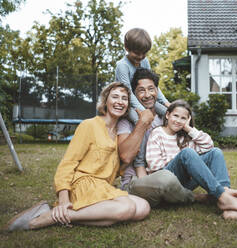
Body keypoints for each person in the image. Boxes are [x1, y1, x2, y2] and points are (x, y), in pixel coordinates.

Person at [5, 82, 150, 231]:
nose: (120, 102)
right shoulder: (89, 125)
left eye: (124, 98)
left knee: (143, 207)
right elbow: (68, 162)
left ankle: (65, 215)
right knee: (126, 208)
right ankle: (49, 217)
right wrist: (63, 198)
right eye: (115, 97)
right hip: (82, 184)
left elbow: (115, 168)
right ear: (106, 101)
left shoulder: (119, 134)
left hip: (102, 187)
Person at [145, 99, 237, 219]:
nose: (178, 121)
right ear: (167, 115)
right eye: (175, 116)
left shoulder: (184, 137)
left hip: (184, 184)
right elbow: (155, 167)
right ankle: (223, 197)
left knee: (215, 152)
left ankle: (227, 202)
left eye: (183, 118)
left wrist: (189, 129)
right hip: (165, 183)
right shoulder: (157, 133)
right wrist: (182, 161)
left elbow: (208, 145)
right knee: (187, 153)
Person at [118, 68, 208, 207]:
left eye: (151, 89)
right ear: (134, 94)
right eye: (141, 90)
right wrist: (142, 123)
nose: (147, 95)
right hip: (138, 181)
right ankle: (193, 197)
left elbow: (189, 146)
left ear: (157, 91)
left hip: (171, 176)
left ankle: (222, 193)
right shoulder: (126, 122)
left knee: (210, 156)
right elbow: (125, 157)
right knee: (165, 179)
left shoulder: (167, 119)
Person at [115, 28, 170, 124]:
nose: (140, 56)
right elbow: (128, 93)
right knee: (140, 120)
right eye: (137, 53)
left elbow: (152, 85)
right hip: (127, 102)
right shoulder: (122, 66)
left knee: (169, 113)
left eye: (144, 53)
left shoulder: (144, 61)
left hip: (142, 99)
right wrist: (144, 111)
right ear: (127, 48)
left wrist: (165, 102)